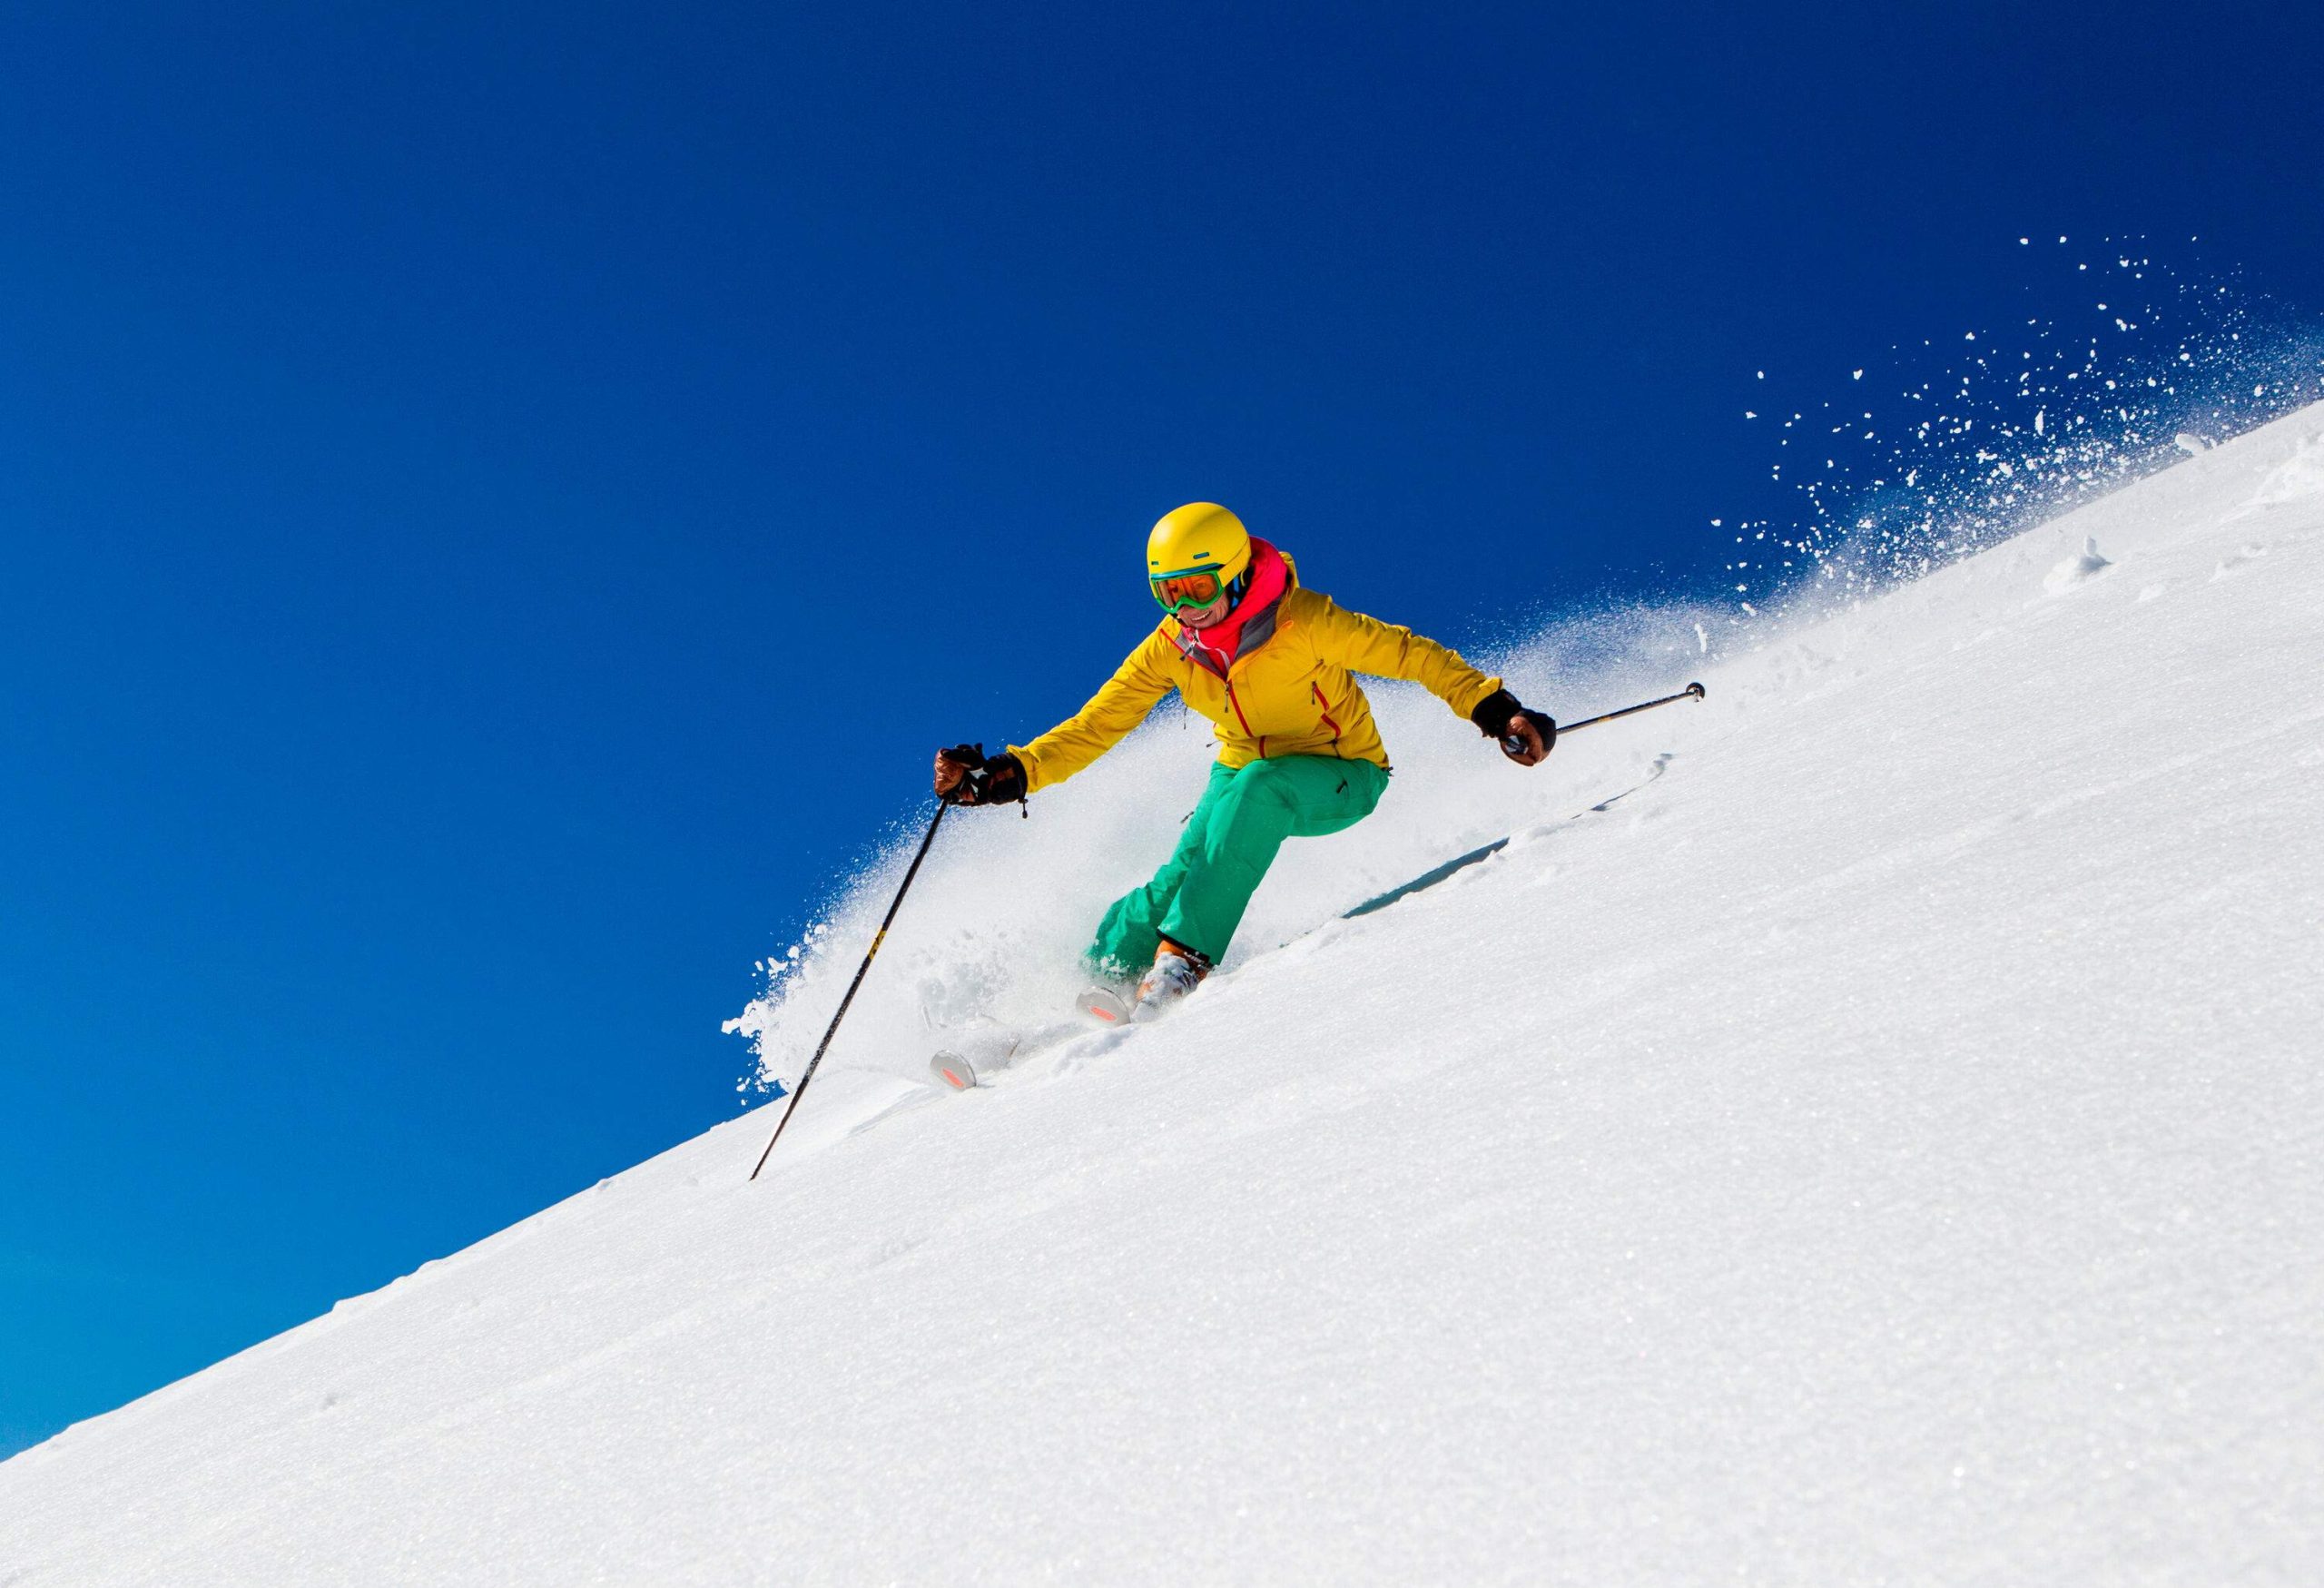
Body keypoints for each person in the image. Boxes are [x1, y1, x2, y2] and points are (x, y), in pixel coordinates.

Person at [934, 502, 1556, 1016]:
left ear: (1232, 574)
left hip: (1343, 772)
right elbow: (1098, 725)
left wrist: (1497, 711)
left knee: (1261, 785)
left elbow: (1412, 654)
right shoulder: (1172, 647)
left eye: (1197, 587)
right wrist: (1009, 776)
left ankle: (1183, 962)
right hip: (1240, 771)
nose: (1186, 607)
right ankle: (1091, 983)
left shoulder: (1304, 621)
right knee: (1172, 881)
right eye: (1167, 592)